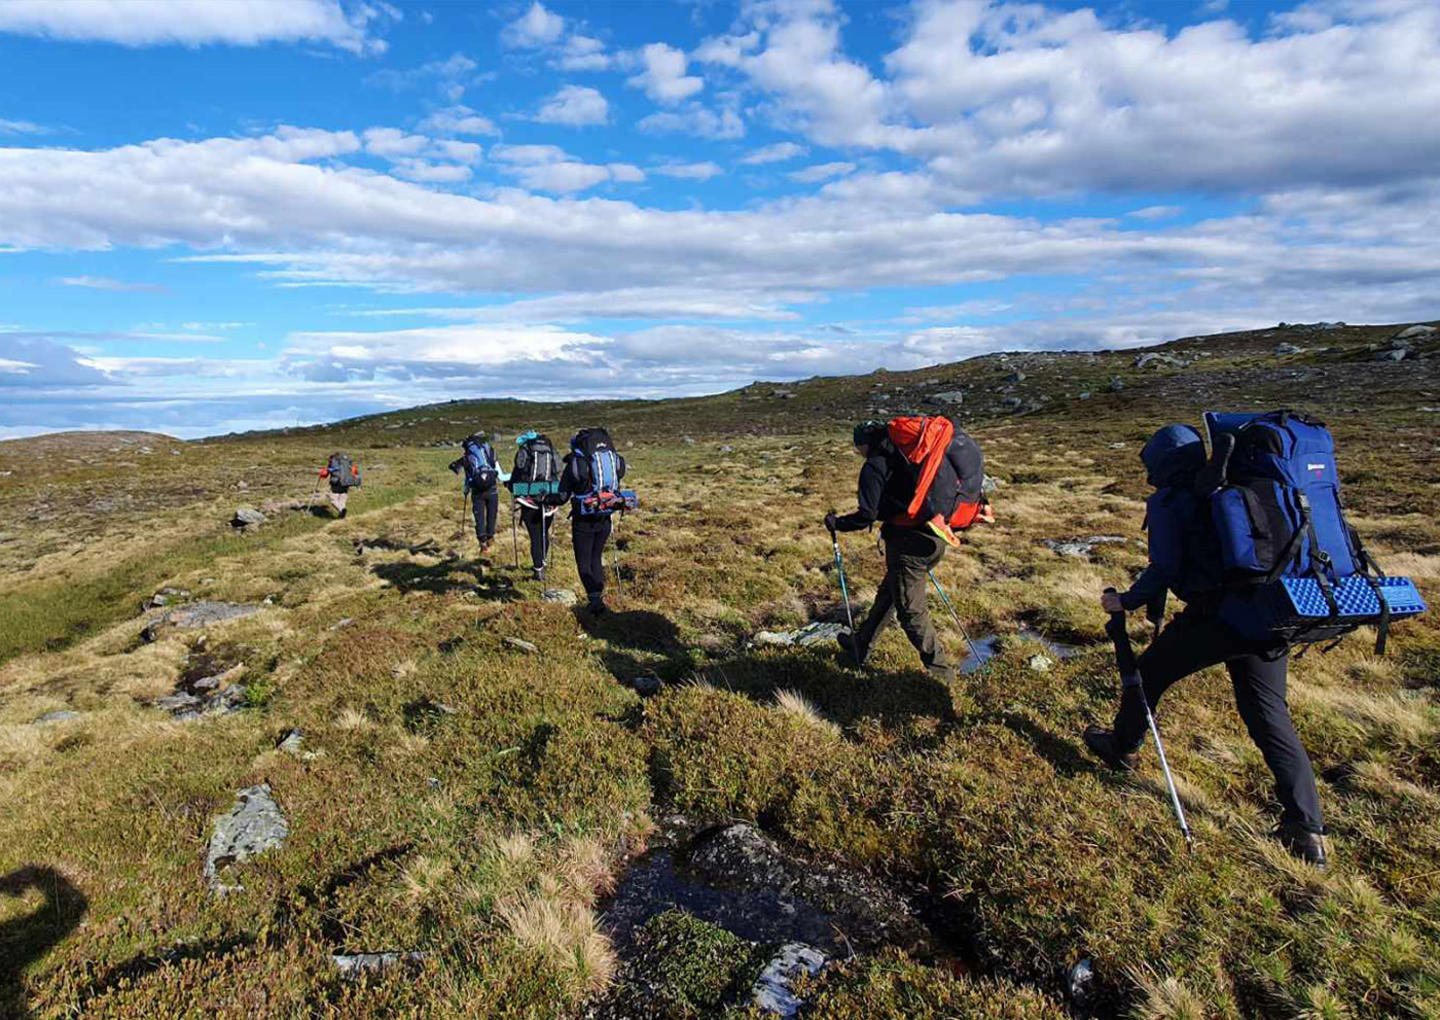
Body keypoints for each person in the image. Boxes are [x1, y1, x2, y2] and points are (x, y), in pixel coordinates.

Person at [1083, 424, 1327, 867]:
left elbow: (1166, 567)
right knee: (1268, 714)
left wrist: (1125, 600)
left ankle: (1122, 747)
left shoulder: (1173, 500)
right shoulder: (1233, 485)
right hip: (1269, 613)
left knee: (1149, 673)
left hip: (1218, 617)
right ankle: (1306, 829)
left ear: (1161, 464)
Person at [825, 421, 955, 681]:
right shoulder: (905, 458)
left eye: (857, 446)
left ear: (864, 443)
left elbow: (867, 515)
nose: (858, 451)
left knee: (910, 611)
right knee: (890, 594)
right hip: (936, 535)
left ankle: (942, 676)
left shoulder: (874, 466)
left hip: (909, 545)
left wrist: (837, 524)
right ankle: (860, 645)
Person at [559, 426, 626, 614]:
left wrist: (547, 500)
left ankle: (594, 600)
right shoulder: (613, 459)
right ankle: (597, 596)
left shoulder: (576, 462)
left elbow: (562, 495)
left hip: (583, 519)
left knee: (583, 560)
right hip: (605, 517)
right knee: (596, 557)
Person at [507, 430, 561, 581]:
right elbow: (558, 471)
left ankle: (538, 568)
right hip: (549, 498)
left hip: (528, 499)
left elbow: (517, 472)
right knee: (545, 533)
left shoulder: (525, 450)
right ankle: (542, 563)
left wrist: (512, 487)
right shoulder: (550, 449)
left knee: (535, 536)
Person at [449, 432, 501, 554]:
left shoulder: (468, 455)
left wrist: (466, 489)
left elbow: (468, 476)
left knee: (479, 516)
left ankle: (482, 542)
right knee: (492, 513)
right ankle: (491, 536)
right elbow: (497, 469)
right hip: (492, 487)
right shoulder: (489, 451)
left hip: (477, 490)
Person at [318, 452, 359, 518]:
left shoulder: (333, 461)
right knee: (342, 499)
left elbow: (325, 474)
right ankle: (342, 513)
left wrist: (322, 473)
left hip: (336, 482)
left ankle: (341, 510)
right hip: (346, 482)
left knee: (333, 499)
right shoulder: (346, 462)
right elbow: (355, 471)